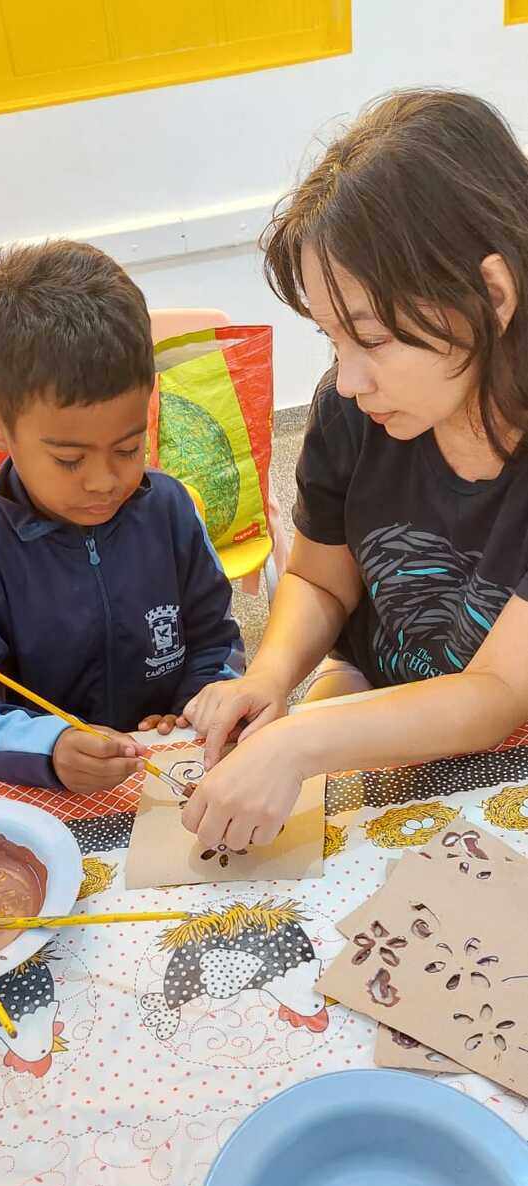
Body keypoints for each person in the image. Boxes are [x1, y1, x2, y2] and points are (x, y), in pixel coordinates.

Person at [181, 88, 528, 850]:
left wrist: (300, 743)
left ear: (491, 295)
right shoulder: (352, 413)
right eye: (332, 339)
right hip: (377, 693)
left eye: (370, 338)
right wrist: (268, 681)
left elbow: (499, 693)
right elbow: (317, 578)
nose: (346, 380)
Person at [0, 241, 243, 792]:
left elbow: (215, 642)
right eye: (69, 459)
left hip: (163, 774)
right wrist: (48, 745)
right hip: (37, 785)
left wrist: (193, 709)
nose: (104, 481)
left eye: (129, 448)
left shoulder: (172, 511)